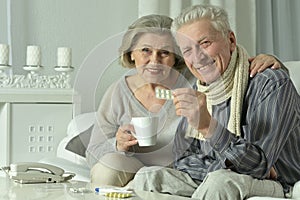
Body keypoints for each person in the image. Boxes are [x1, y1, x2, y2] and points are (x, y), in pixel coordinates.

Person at [86, 14, 283, 188]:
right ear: (131, 53)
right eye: (146, 50)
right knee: (106, 171)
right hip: (134, 168)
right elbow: (92, 152)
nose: (155, 60)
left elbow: (234, 67)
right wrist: (117, 145)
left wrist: (274, 62)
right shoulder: (118, 92)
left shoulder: (197, 80)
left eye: (165, 52)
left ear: (177, 56)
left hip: (183, 172)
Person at [132, 5, 300, 199]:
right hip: (214, 175)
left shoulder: (270, 83)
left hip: (278, 183)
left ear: (231, 40)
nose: (198, 57)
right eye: (187, 50)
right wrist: (226, 165)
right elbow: (183, 159)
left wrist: (207, 126)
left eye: (205, 43)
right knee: (148, 177)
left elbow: (259, 166)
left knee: (220, 181)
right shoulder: (199, 89)